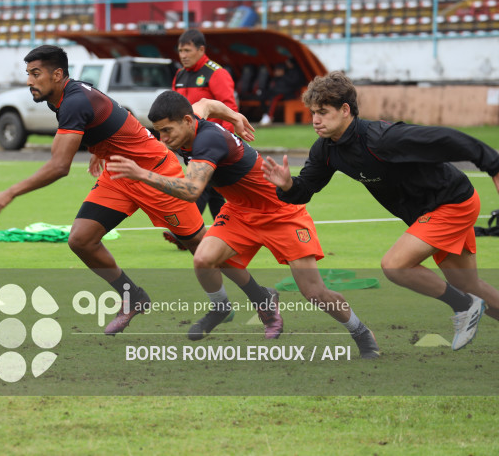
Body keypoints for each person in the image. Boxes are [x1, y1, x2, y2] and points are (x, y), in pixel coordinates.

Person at [0, 45, 260, 336]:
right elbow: (116, 113)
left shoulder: (73, 101)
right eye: (28, 74)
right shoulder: (71, 95)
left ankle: (257, 297)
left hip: (156, 170)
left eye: (35, 73)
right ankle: (133, 297)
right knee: (81, 239)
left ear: (57, 75)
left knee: (200, 245)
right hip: (119, 173)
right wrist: (101, 145)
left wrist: (11, 192)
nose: (29, 80)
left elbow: (58, 167)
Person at [106, 91, 380, 358]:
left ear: (187, 122)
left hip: (281, 212)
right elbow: (206, 103)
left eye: (167, 131)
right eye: (159, 133)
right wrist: (235, 116)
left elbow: (191, 190)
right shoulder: (193, 118)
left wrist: (141, 174)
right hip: (239, 211)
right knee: (203, 258)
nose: (164, 140)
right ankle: (221, 308)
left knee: (314, 292)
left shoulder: (208, 142)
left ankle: (360, 331)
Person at [262, 70, 499, 351]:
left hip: (452, 202)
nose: (315, 120)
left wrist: (493, 165)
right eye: (313, 112)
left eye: (323, 112)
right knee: (469, 283)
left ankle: (464, 306)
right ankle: (469, 300)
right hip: (428, 212)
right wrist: (287, 185)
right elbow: (304, 192)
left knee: (395, 265)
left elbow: (446, 139)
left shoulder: (382, 138)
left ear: (345, 109)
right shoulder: (326, 149)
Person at [164, 28, 238, 248]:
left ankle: (185, 233)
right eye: (180, 51)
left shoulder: (216, 73)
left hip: (212, 145)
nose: (183, 55)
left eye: (187, 50)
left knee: (200, 187)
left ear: (201, 50)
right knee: (216, 193)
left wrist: (226, 143)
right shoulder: (180, 75)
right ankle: (227, 233)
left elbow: (229, 108)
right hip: (190, 145)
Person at [257, 58, 306, 126]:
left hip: (288, 93)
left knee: (274, 98)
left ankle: (269, 117)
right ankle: (266, 114)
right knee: (262, 95)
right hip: (277, 90)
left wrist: (283, 75)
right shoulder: (285, 71)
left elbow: (294, 84)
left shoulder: (296, 72)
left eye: (288, 63)